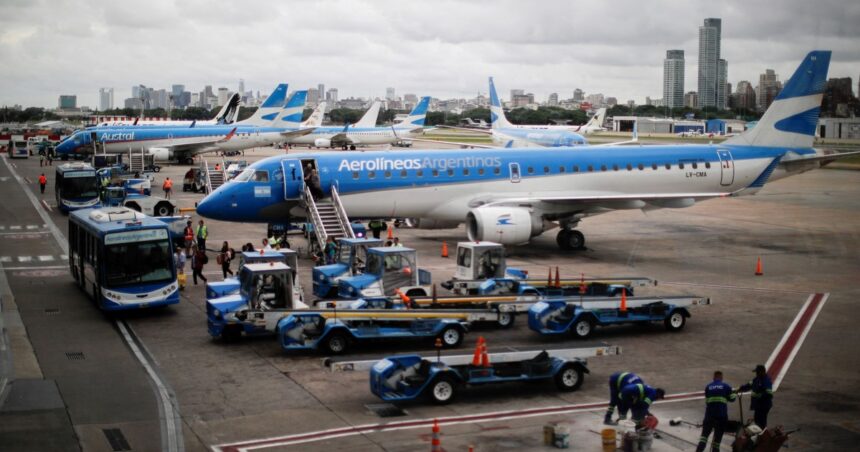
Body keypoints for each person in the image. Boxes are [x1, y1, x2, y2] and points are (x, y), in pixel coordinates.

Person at [696, 371, 736, 452]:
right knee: (717, 441)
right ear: (721, 378)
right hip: (721, 417)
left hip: (709, 416)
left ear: (714, 378)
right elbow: (732, 399)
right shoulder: (726, 386)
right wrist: (733, 393)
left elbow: (707, 401)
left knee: (704, 437)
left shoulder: (708, 387)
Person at [739, 364, 773, 429]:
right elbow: (749, 385)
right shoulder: (757, 379)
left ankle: (762, 434)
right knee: (757, 419)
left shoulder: (766, 380)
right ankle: (759, 433)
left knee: (761, 421)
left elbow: (769, 393)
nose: (756, 373)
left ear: (762, 372)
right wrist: (740, 389)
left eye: (757, 372)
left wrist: (760, 396)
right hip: (758, 405)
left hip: (764, 405)